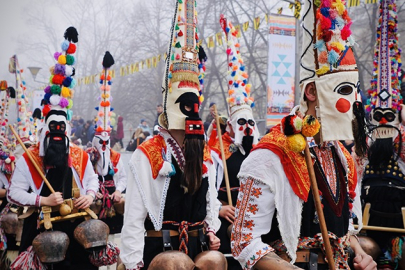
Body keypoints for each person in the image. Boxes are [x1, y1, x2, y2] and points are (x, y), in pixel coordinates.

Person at [231, 1, 376, 269]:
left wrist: (359, 254)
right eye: (344, 90)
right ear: (311, 92)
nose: (354, 104)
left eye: (355, 92)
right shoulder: (270, 153)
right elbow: (243, 241)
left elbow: (344, 232)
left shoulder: (343, 158)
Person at [120, 1, 223, 269]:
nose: (191, 110)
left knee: (216, 261)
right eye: (184, 103)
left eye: (195, 103)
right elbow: (132, 219)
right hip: (162, 252)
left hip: (199, 249)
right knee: (173, 263)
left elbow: (211, 201)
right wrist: (133, 263)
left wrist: (211, 231)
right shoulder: (149, 153)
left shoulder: (204, 152)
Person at [8, 27, 100, 270]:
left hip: (77, 228)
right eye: (54, 127)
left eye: (62, 127)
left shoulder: (79, 155)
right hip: (42, 228)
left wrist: (89, 195)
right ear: (46, 130)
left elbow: (92, 180)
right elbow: (13, 193)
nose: (58, 131)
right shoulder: (28, 158)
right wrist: (43, 199)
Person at [354, 0, 405, 268]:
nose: (384, 121)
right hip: (369, 230)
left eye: (391, 116)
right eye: (378, 117)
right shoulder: (364, 150)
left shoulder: (402, 148)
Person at [209, 17, 259, 270]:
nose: (247, 128)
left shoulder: (261, 153)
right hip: (226, 224)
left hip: (256, 224)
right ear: (230, 125)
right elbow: (205, 187)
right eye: (242, 123)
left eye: (251, 123)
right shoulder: (217, 153)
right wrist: (218, 208)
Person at [87, 52, 126, 270]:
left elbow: (122, 178)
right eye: (99, 142)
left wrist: (118, 191)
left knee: (116, 235)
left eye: (106, 142)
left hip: (112, 202)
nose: (104, 147)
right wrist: (93, 193)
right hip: (95, 204)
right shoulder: (87, 157)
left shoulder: (116, 156)